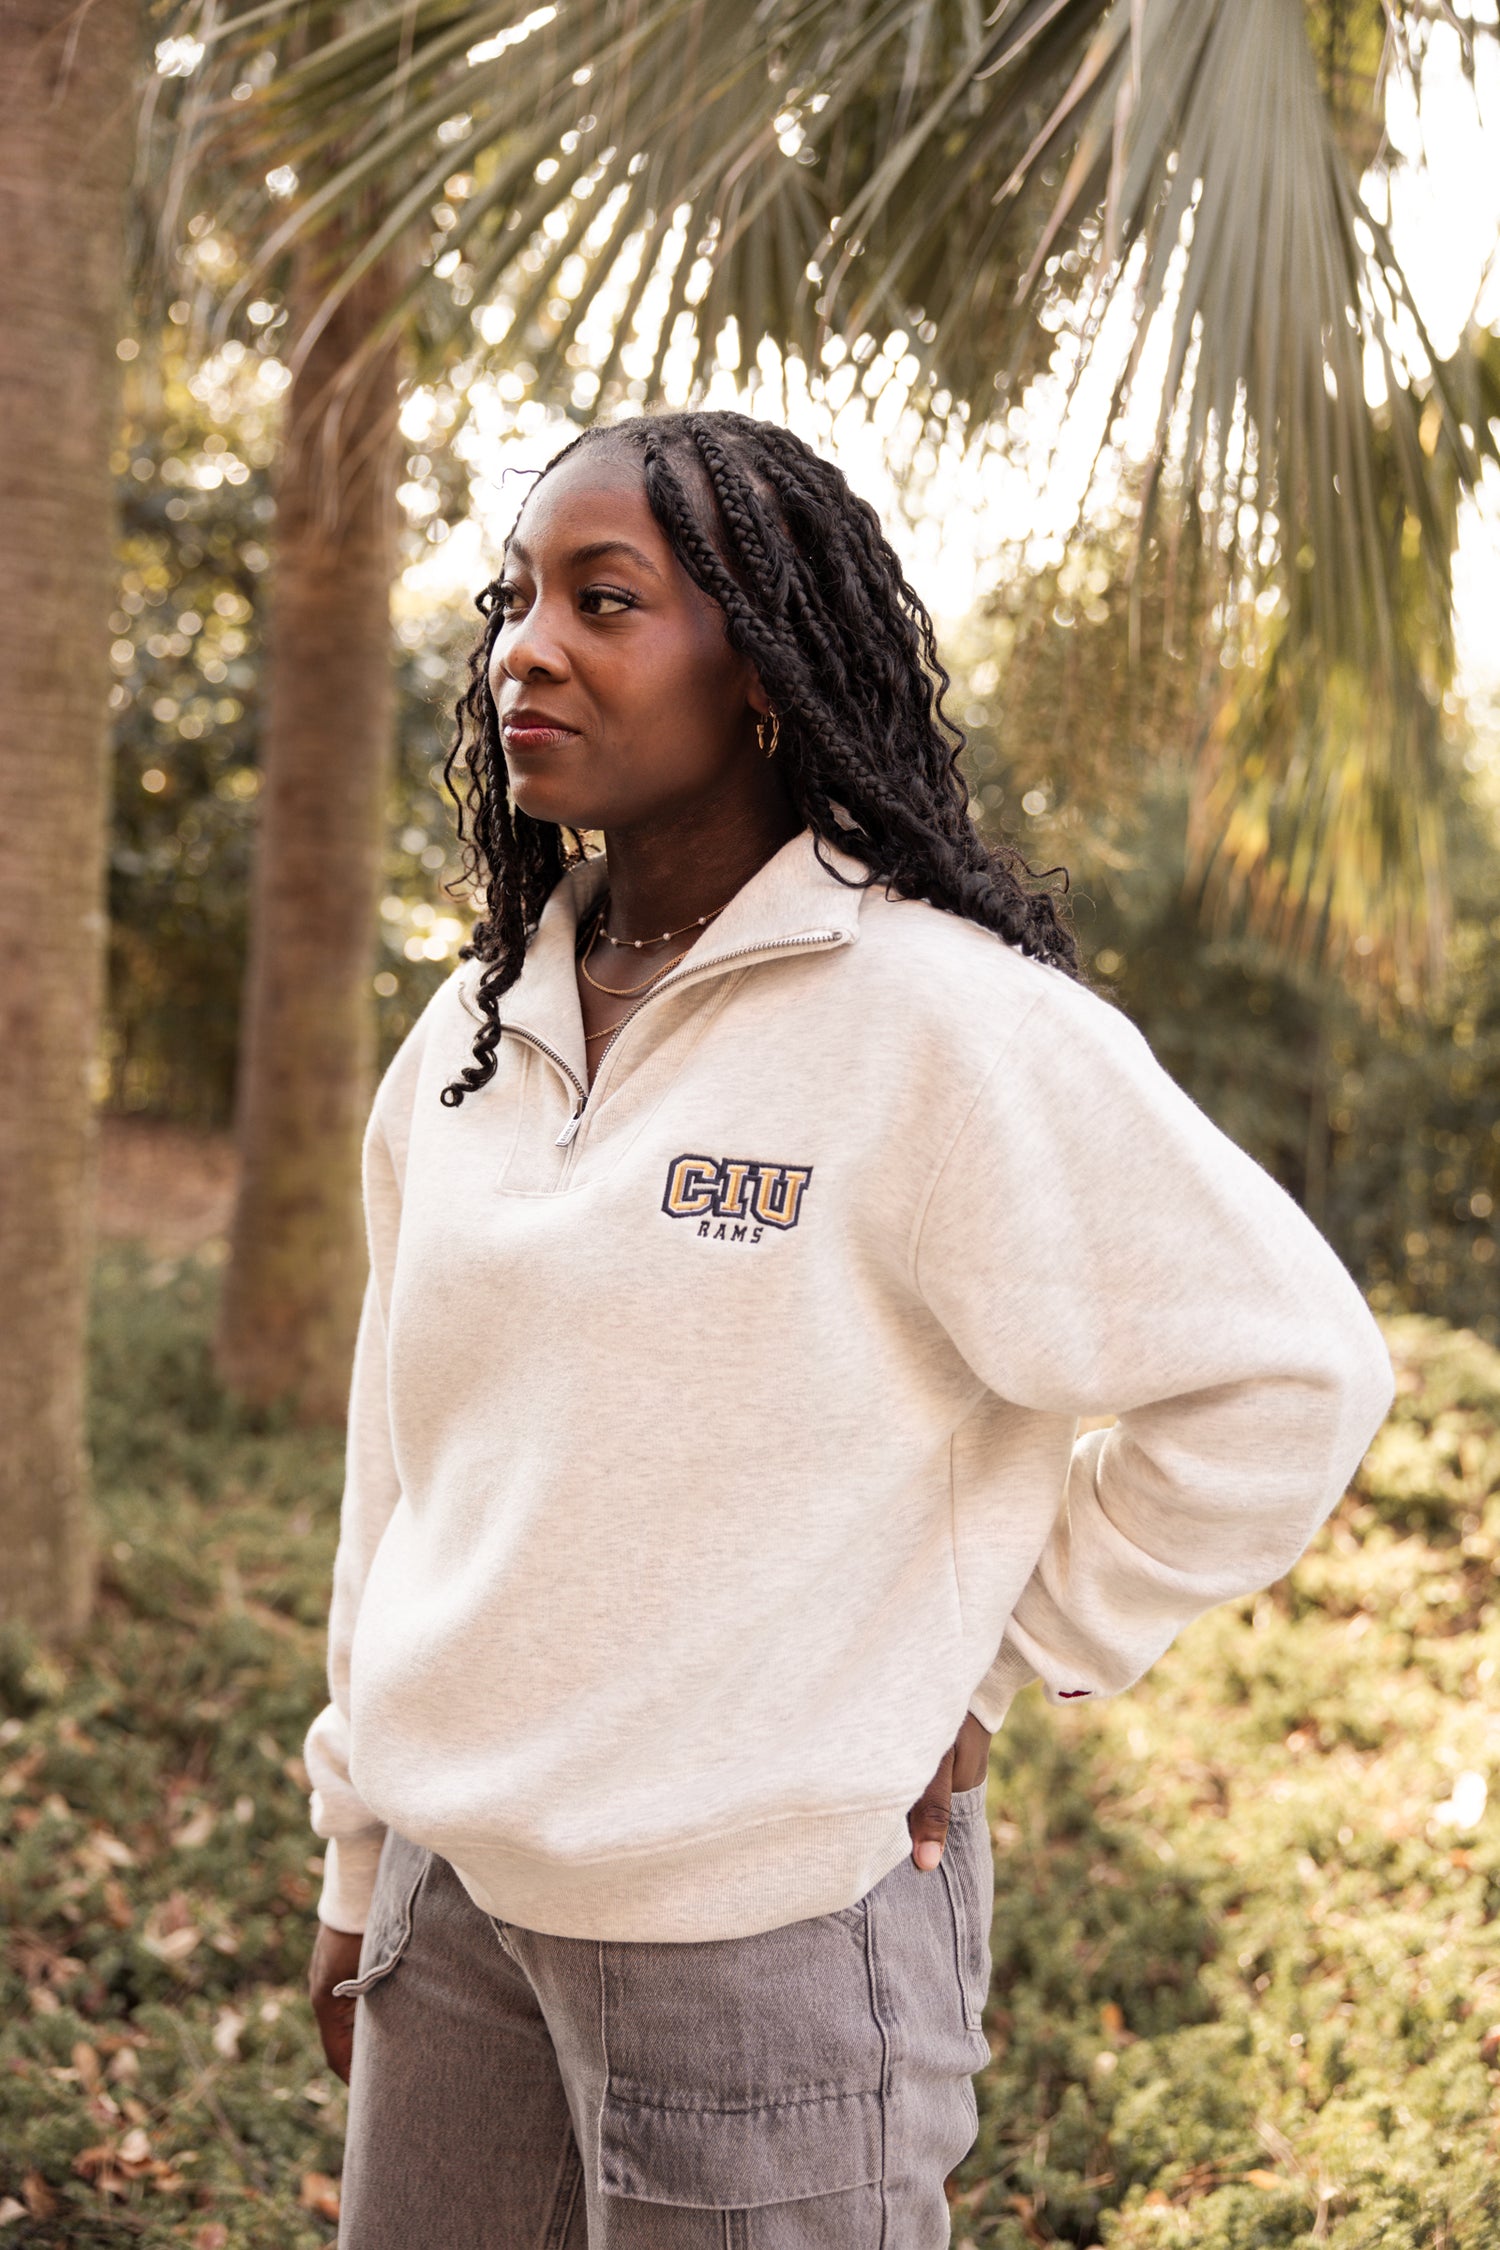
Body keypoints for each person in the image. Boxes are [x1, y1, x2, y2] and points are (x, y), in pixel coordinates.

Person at [303, 409, 1395, 2247]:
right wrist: (357, 1844)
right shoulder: (472, 1035)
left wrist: (989, 1650)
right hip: (459, 1904)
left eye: (606, 598)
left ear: (761, 670)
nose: (523, 647)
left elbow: (1291, 1370)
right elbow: (399, 1466)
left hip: (773, 1943)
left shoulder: (940, 1024)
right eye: (513, 599)